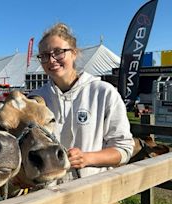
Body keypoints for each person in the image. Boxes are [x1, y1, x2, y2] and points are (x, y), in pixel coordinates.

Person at [29, 23, 134, 182]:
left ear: (74, 53)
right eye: (44, 55)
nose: (51, 60)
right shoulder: (35, 99)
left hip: (91, 190)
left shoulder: (103, 92)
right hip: (45, 191)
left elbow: (124, 149)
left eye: (58, 52)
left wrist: (87, 158)